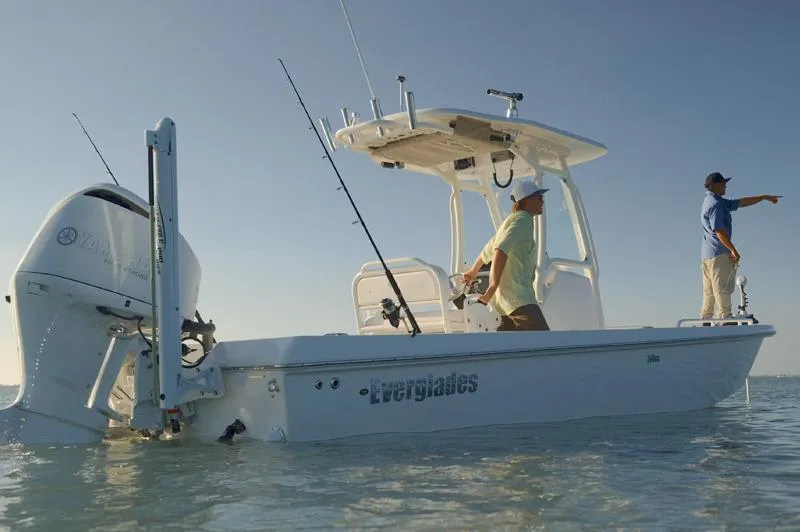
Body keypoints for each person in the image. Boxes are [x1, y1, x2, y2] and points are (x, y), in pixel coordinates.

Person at [463, 180, 550, 331]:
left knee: (512, 348)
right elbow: (500, 250)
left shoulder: (509, 222)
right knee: (545, 344)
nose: (542, 201)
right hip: (519, 301)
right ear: (527, 200)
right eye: (539, 197)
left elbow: (487, 251)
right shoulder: (523, 220)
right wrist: (491, 288)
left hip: (503, 305)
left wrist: (473, 271)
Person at [700, 171, 781, 320]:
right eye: (724, 183)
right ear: (716, 184)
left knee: (709, 293)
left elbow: (742, 202)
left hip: (707, 257)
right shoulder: (716, 204)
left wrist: (764, 197)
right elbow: (719, 231)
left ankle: (706, 323)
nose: (726, 186)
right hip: (719, 255)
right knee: (722, 289)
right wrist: (733, 250)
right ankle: (725, 320)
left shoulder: (713, 201)